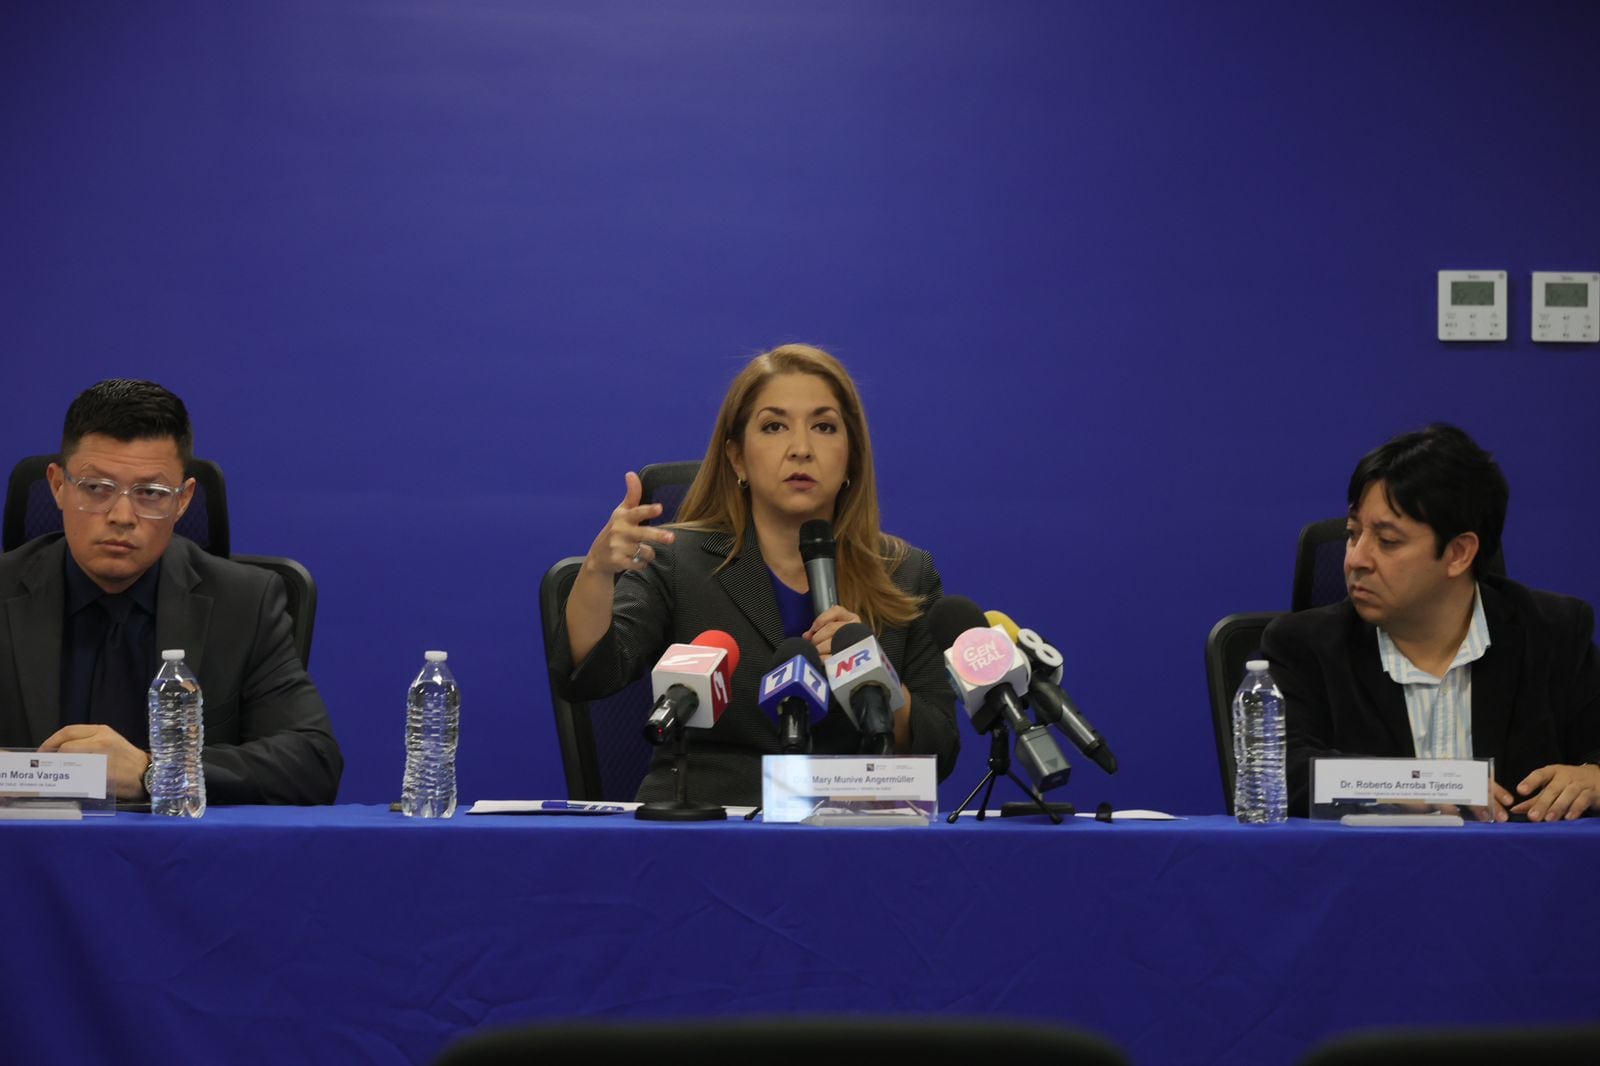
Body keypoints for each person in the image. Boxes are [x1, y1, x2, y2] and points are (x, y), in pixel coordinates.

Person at [551, 344, 960, 806]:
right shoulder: (675, 560)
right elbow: (592, 676)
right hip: (710, 829)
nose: (801, 449)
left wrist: (874, 677)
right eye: (774, 426)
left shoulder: (905, 573)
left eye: (824, 427)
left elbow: (938, 751)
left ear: (851, 458)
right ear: (738, 458)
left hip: (852, 831)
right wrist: (597, 570)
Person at [0, 379, 342, 804]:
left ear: (182, 501)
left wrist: (157, 771)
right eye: (96, 489)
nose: (122, 515)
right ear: (57, 486)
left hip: (180, 861)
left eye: (150, 493)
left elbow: (313, 762)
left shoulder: (245, 604)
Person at [1262, 423, 1600, 821]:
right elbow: (1278, 775)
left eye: (1387, 541)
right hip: (1368, 874)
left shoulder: (1554, 633)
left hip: (1520, 877)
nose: (1355, 560)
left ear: (1458, 553)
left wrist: (1594, 778)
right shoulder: (1303, 645)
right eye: (1353, 534)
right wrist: (1411, 785)